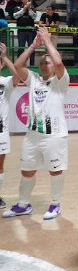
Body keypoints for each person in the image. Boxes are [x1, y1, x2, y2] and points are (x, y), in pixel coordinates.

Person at [2, 27, 69, 220]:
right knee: (26, 170)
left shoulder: (60, 82)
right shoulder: (33, 79)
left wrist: (47, 41)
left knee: (55, 171)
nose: (43, 65)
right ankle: (24, 204)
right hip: (32, 136)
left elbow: (58, 62)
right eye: (40, 63)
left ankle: (55, 204)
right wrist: (33, 45)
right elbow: (18, 65)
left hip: (54, 135)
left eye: (47, 62)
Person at [0, 43, 20, 209]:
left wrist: (5, 57)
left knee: (0, 166)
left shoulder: (5, 82)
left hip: (1, 132)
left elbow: (17, 76)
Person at [13, 0, 37, 66]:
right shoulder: (17, 8)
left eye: (28, 0)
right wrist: (23, 9)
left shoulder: (32, 8)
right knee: (21, 48)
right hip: (21, 30)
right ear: (22, 0)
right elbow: (15, 16)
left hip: (30, 31)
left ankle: (32, 65)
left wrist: (29, 9)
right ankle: (20, 64)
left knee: (32, 48)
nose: (27, 1)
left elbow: (34, 17)